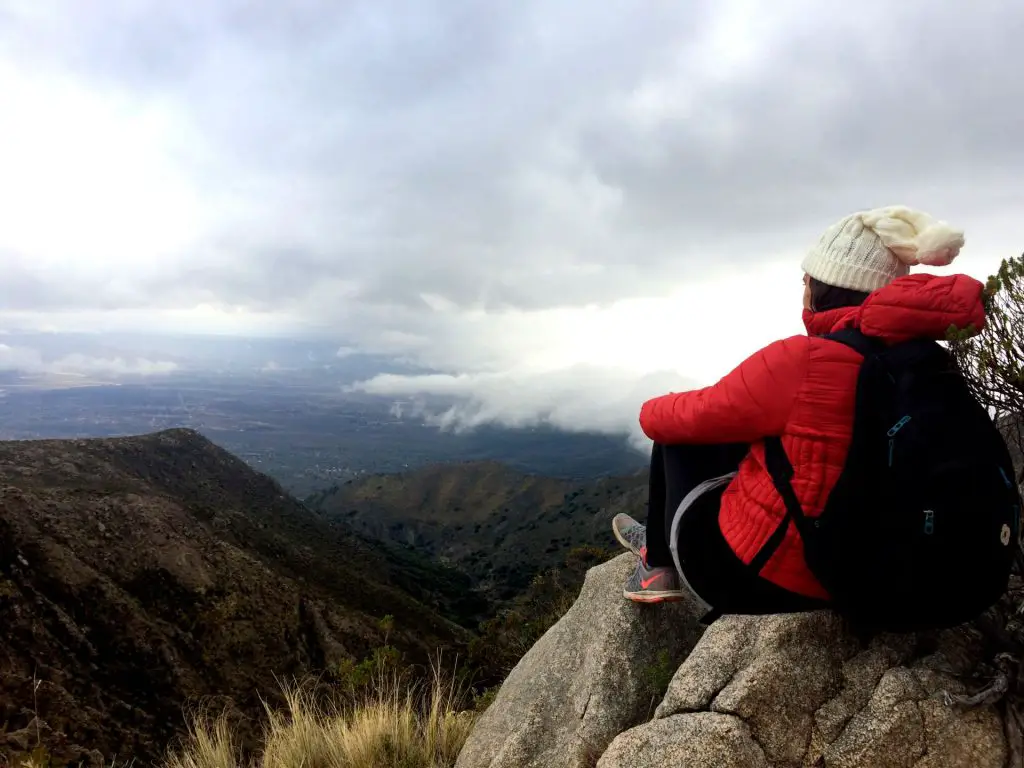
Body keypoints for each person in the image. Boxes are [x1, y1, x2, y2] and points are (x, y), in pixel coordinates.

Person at [612, 205, 986, 620]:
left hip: (766, 576)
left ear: (825, 287)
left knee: (676, 434)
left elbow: (661, 419)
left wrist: (663, 401)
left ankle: (656, 563)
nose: (803, 290)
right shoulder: (928, 361)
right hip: (883, 568)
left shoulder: (804, 360)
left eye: (807, 281)